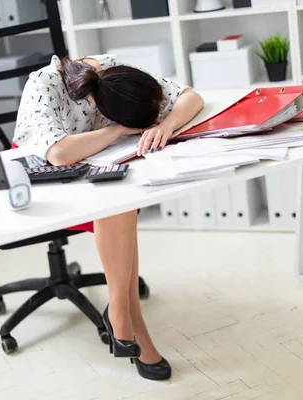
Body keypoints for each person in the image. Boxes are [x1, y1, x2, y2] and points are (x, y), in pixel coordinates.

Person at [13, 54, 204, 380]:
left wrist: (168, 125)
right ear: (102, 111)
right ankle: (128, 317)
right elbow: (58, 154)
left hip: (96, 169)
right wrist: (118, 131)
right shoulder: (43, 84)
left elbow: (191, 97)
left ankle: (123, 313)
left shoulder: (113, 71)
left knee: (119, 196)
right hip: (44, 180)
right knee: (115, 201)